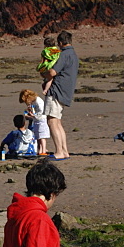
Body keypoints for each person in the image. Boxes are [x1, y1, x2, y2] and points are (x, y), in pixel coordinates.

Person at [42, 30, 79, 161]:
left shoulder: (64, 55)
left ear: (61, 43)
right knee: (57, 121)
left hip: (57, 90)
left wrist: (43, 74)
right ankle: (64, 150)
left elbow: (52, 72)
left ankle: (59, 152)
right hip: (66, 91)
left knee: (52, 121)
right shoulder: (74, 55)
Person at [19, 89, 50, 156]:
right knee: (38, 136)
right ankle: (40, 150)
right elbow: (35, 111)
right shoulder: (33, 102)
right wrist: (31, 112)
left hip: (42, 120)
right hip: (37, 120)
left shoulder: (38, 101)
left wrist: (33, 115)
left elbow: (42, 112)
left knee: (42, 136)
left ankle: (43, 150)